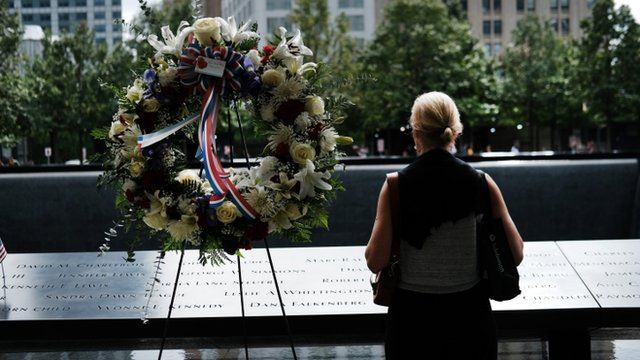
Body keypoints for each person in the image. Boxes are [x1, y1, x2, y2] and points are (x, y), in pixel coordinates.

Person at [365, 92, 524, 359]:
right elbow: (515, 253)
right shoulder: (482, 183)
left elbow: (375, 260)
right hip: (470, 318)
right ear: (455, 132)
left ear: (416, 133)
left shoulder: (395, 186)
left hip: (411, 321)